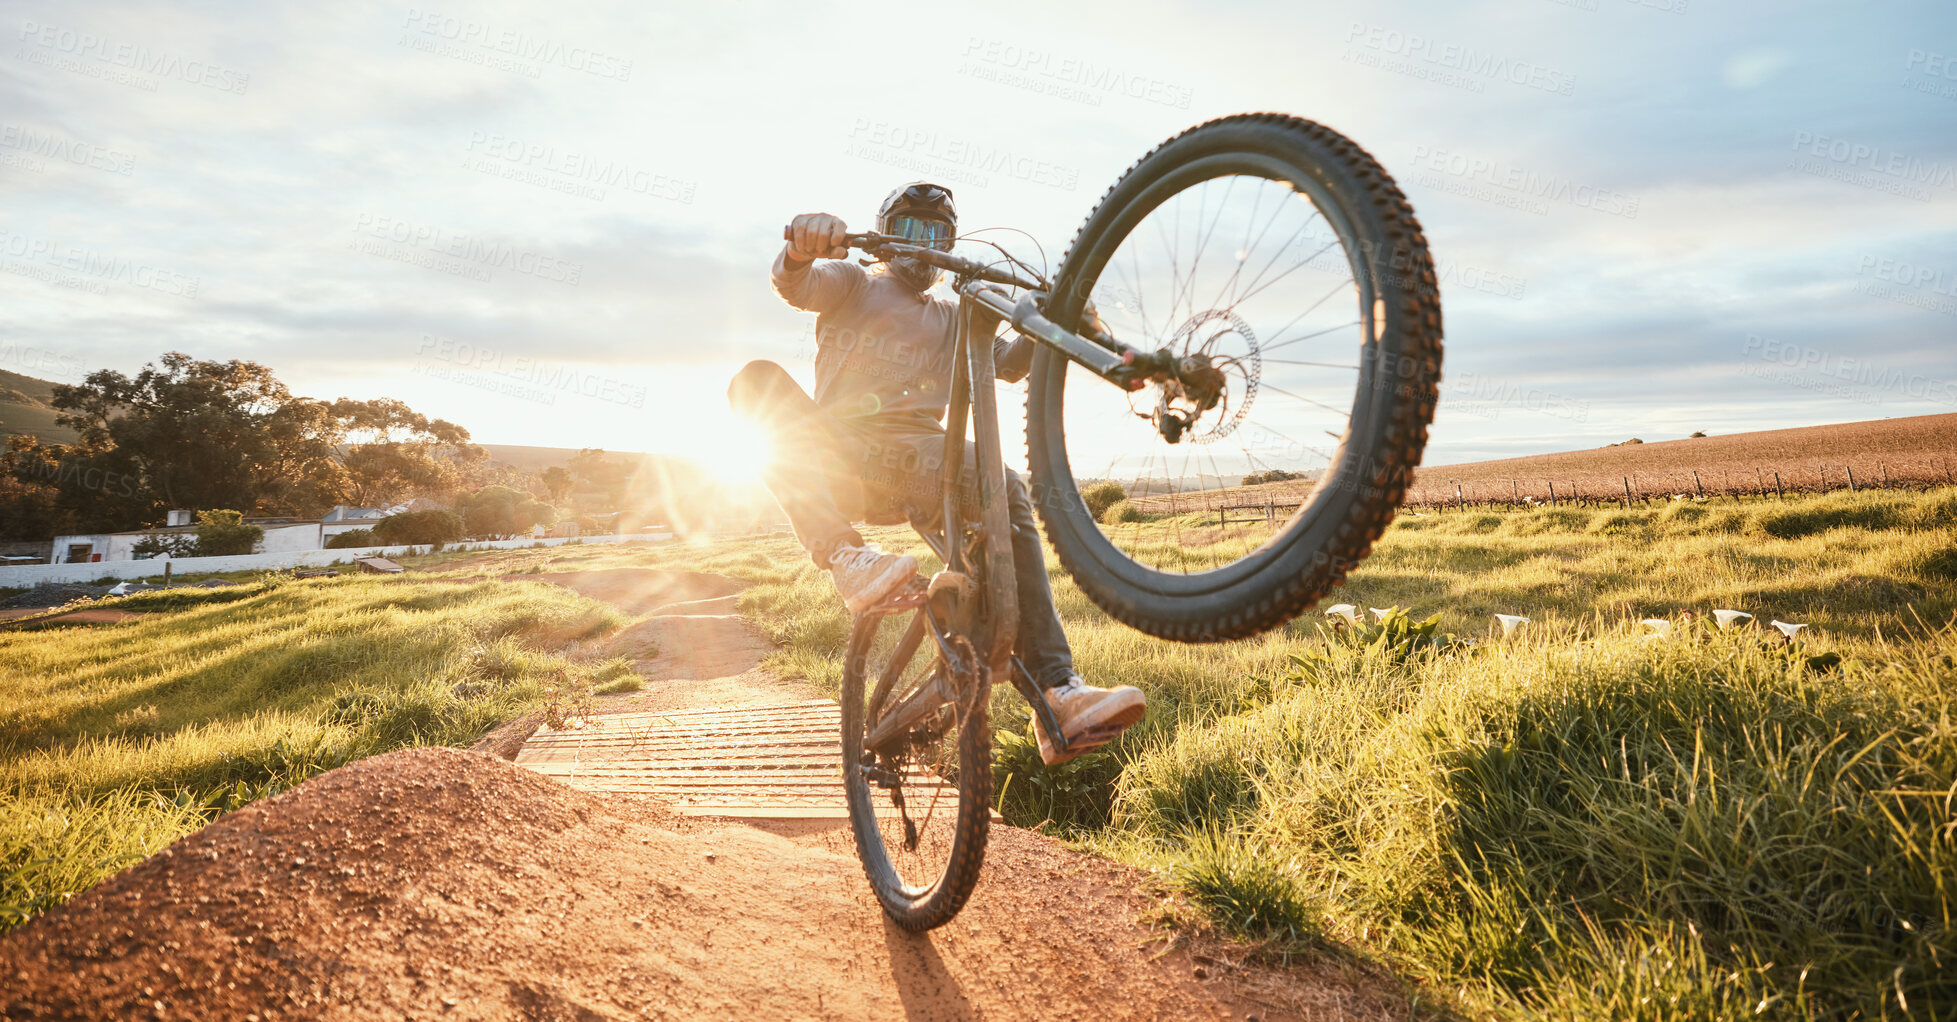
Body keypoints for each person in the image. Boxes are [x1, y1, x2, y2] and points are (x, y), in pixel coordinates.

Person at [728, 181, 1144, 765]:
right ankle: (845, 557)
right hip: (839, 453)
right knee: (754, 382)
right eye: (909, 230)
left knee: (1005, 487)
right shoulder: (854, 283)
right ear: (882, 239)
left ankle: (1056, 695)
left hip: (924, 466)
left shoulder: (954, 316)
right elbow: (795, 284)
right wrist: (804, 244)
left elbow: (1009, 364)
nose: (923, 245)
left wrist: (1059, 319)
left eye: (937, 236)